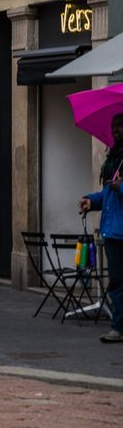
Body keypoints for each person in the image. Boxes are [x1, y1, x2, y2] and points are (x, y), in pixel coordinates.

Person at [79, 112, 123, 343]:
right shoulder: (113, 160)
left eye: (120, 126)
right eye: (114, 125)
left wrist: (121, 187)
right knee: (116, 280)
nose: (116, 130)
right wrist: (91, 201)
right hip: (113, 230)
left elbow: (117, 190)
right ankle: (118, 327)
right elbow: (107, 194)